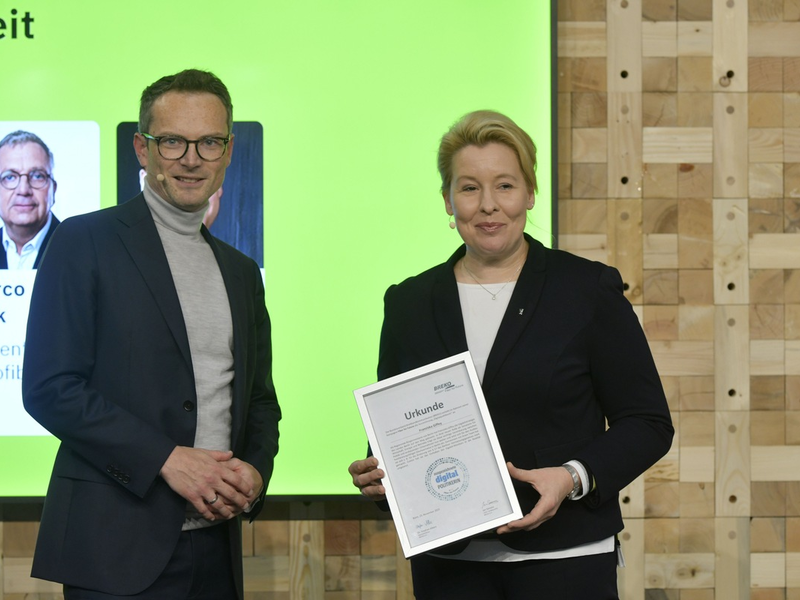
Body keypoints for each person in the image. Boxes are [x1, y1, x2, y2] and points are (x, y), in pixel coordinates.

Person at [348, 110, 673, 599]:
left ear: (529, 193)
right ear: (447, 200)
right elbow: (399, 428)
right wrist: (378, 473)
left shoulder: (586, 290)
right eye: (469, 188)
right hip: (449, 565)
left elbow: (648, 422)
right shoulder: (408, 302)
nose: (488, 206)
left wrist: (572, 478)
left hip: (566, 558)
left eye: (504, 186)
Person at [22, 69, 281, 600]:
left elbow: (259, 401)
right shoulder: (81, 241)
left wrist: (255, 473)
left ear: (228, 152)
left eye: (209, 142)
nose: (191, 158)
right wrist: (165, 457)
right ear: (142, 149)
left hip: (217, 553)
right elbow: (50, 388)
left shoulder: (239, 271)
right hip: (115, 553)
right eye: (172, 142)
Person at [0, 130, 60, 269]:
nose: (23, 190)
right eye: (9, 177)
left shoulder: (81, 250)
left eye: (37, 176)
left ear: (53, 189)